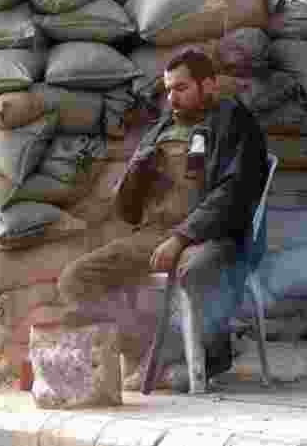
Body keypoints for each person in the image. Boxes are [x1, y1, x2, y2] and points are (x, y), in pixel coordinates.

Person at [57, 47, 268, 391]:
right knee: (75, 278)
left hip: (214, 236)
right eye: (168, 89)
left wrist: (182, 237)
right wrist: (135, 175)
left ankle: (208, 357)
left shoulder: (235, 124)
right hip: (155, 235)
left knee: (195, 270)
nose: (172, 97)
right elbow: (128, 212)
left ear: (209, 85)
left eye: (181, 88)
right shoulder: (160, 130)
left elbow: (234, 194)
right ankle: (142, 349)